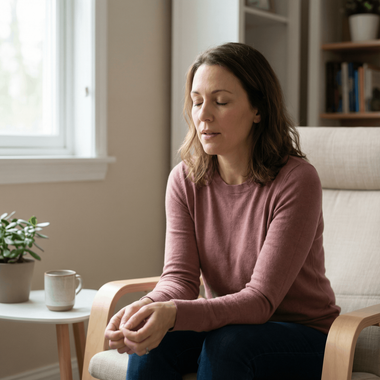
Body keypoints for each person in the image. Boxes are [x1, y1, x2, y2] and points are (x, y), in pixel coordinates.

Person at [105, 42, 340, 380]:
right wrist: (145, 309)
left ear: (258, 109)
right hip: (228, 327)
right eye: (197, 102)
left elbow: (260, 301)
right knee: (158, 343)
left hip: (304, 336)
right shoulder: (184, 180)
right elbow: (180, 280)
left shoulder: (297, 180)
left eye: (221, 101)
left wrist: (174, 314)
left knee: (228, 345)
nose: (203, 115)